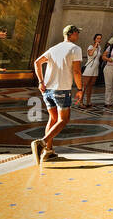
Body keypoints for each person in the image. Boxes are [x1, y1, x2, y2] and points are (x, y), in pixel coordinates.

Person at [32, 25, 84, 164]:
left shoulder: (54, 48)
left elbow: (37, 62)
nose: (78, 36)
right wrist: (80, 89)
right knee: (63, 120)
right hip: (62, 89)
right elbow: (77, 72)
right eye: (77, 33)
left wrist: (41, 82)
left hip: (47, 89)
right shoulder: (75, 49)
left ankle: (48, 152)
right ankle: (42, 143)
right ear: (71, 34)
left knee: (53, 118)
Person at [79, 33, 103, 108]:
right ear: (94, 39)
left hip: (95, 68)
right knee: (84, 86)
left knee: (90, 86)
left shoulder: (100, 48)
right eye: (97, 38)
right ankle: (80, 102)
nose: (99, 40)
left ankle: (88, 102)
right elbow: (90, 54)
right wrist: (95, 46)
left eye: (100, 38)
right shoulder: (91, 46)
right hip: (89, 67)